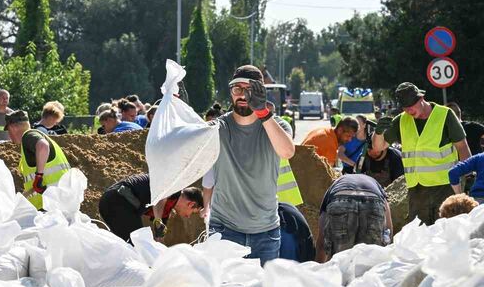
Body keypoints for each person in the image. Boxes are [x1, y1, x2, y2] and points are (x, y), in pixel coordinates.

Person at [201, 65, 296, 265]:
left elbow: (287, 151)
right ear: (230, 93)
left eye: (249, 90)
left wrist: (262, 113)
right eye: (237, 89)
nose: (243, 95)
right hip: (224, 230)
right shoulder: (217, 129)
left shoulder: (277, 126)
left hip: (266, 232)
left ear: (260, 92)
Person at [372, 82, 471, 226]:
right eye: (405, 107)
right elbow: (378, 147)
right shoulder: (401, 120)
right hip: (417, 191)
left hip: (444, 187)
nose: (408, 110)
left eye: (411, 105)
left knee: (447, 231)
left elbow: (462, 147)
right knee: (419, 237)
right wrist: (378, 132)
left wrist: (467, 176)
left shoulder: (445, 115)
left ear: (421, 98)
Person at [98, 174, 203, 243]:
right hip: (118, 200)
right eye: (192, 213)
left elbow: (159, 239)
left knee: (122, 244)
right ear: (190, 204)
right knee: (137, 243)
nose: (188, 216)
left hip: (110, 203)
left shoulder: (165, 212)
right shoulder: (173, 188)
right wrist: (158, 220)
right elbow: (161, 197)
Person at [316, 174, 393, 263]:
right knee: (370, 259)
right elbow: (388, 227)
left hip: (340, 199)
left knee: (340, 260)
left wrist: (318, 269)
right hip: (373, 201)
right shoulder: (376, 185)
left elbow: (322, 239)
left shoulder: (333, 187)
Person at [4, 109, 71, 209]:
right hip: (57, 201)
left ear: (13, 127)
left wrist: (38, 177)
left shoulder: (28, 136)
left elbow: (43, 146)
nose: (9, 136)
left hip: (49, 204)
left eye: (8, 131)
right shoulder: (36, 137)